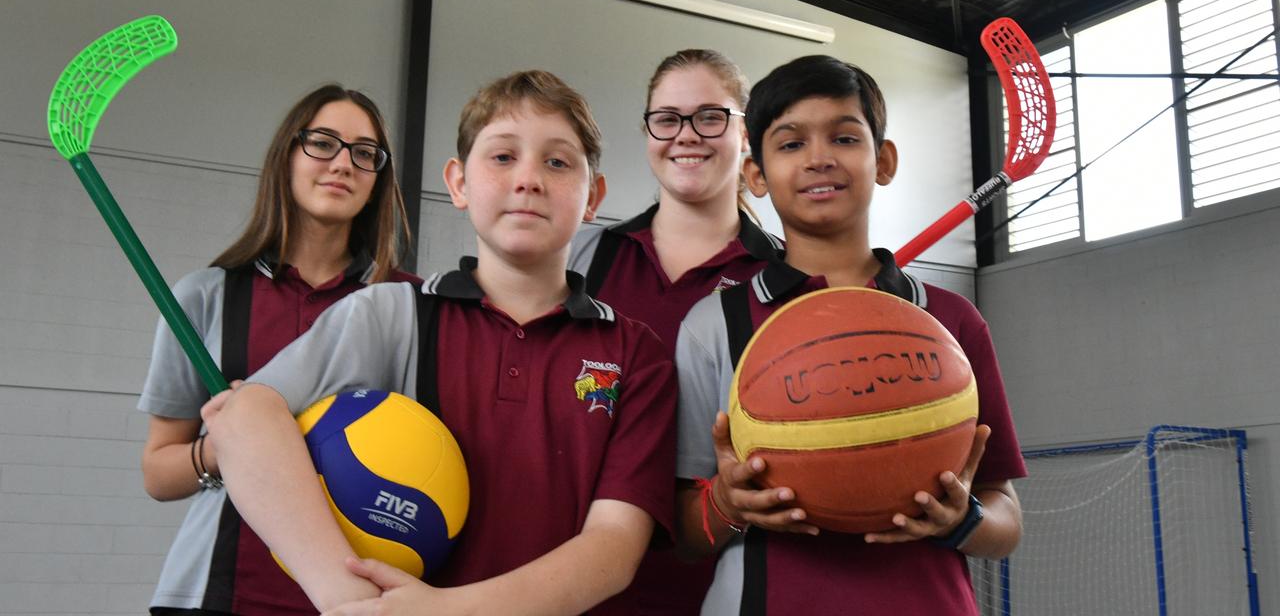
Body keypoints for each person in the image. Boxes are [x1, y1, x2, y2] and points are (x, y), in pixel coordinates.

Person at [201, 70, 678, 615]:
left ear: (593, 195)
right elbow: (243, 419)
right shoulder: (389, 314)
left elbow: (614, 550)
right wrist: (347, 599)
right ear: (457, 183)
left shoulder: (636, 354)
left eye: (558, 162)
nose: (529, 179)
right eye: (502, 158)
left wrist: (441, 612)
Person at [673, 55, 1025, 615]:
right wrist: (724, 502)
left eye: (843, 137)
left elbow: (1005, 520)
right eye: (790, 144)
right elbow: (684, 534)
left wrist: (964, 520)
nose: (818, 158)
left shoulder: (952, 320)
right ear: (755, 175)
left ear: (882, 160)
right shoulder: (714, 325)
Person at [138, 84, 418, 615]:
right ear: (287, 156)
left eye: (365, 153)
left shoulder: (407, 304)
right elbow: (157, 472)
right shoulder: (204, 296)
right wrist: (235, 443)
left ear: (378, 180)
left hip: (358, 594)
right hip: (218, 591)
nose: (343, 163)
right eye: (323, 143)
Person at [569, 49, 779, 615]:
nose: (686, 136)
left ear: (746, 134)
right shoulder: (586, 260)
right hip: (581, 584)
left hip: (726, 589)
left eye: (711, 116)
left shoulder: (786, 282)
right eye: (667, 118)